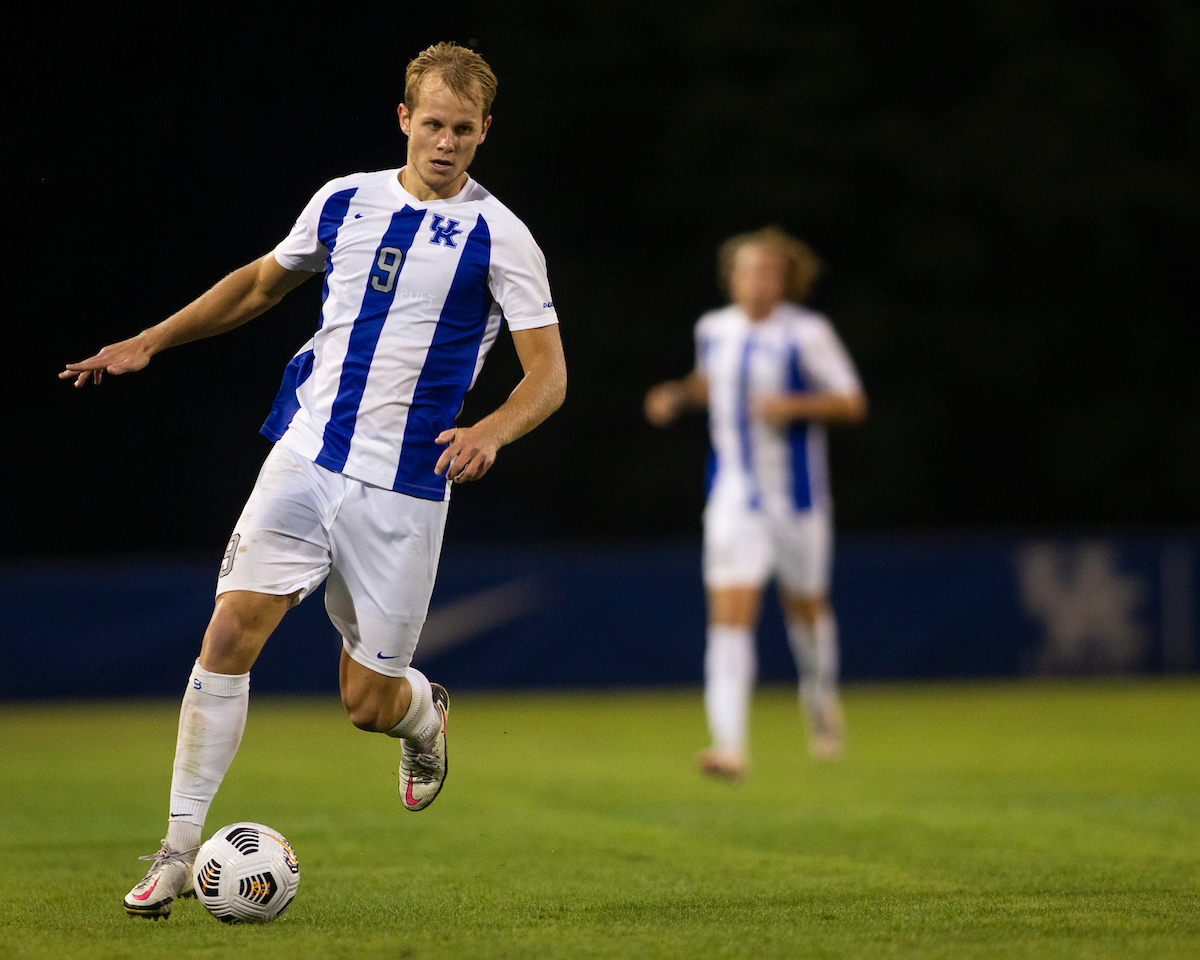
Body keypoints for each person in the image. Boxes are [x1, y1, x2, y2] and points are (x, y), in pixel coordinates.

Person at [60, 42, 566, 918]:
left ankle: (422, 716)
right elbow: (260, 285)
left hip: (406, 488)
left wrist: (491, 430)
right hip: (305, 455)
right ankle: (178, 852)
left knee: (366, 702)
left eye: (463, 130)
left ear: (485, 132)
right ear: (404, 119)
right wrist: (150, 339)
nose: (445, 143)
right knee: (228, 636)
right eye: (432, 124)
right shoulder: (345, 199)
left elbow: (548, 375)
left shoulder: (503, 237)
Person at [644, 227, 865, 779]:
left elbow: (851, 401)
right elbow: (710, 382)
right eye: (749, 270)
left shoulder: (806, 333)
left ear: (785, 279)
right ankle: (730, 745)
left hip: (797, 499)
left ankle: (819, 700)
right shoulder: (714, 330)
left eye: (770, 271)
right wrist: (677, 394)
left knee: (806, 608)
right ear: (733, 277)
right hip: (733, 496)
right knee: (730, 614)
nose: (759, 280)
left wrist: (791, 405)